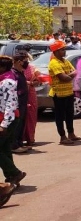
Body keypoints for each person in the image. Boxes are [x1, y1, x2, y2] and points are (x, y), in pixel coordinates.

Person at [47, 40, 81, 145]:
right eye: (62, 49)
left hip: (69, 92)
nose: (64, 51)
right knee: (60, 116)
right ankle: (62, 136)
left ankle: (71, 134)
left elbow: (74, 72)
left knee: (69, 114)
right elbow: (65, 78)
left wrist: (70, 75)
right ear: (56, 51)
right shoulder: (54, 63)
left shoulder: (65, 61)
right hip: (59, 93)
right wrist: (70, 74)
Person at [0, 56, 25, 186]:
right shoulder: (3, 80)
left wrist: (4, 125)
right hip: (5, 118)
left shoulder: (7, 82)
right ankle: (11, 177)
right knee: (4, 149)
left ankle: (15, 173)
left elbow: (10, 104)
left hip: (8, 119)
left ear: (3, 68)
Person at [10, 53, 30, 154]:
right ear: (19, 62)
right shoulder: (13, 74)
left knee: (21, 123)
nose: (27, 63)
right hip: (16, 103)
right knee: (16, 124)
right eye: (25, 61)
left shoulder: (20, 72)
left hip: (23, 102)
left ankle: (19, 142)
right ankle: (14, 146)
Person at [22, 52, 40, 147]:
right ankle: (20, 139)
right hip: (20, 94)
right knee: (21, 116)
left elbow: (38, 80)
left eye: (25, 59)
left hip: (31, 94)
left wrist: (32, 83)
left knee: (31, 115)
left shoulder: (33, 68)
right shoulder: (14, 69)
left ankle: (30, 138)